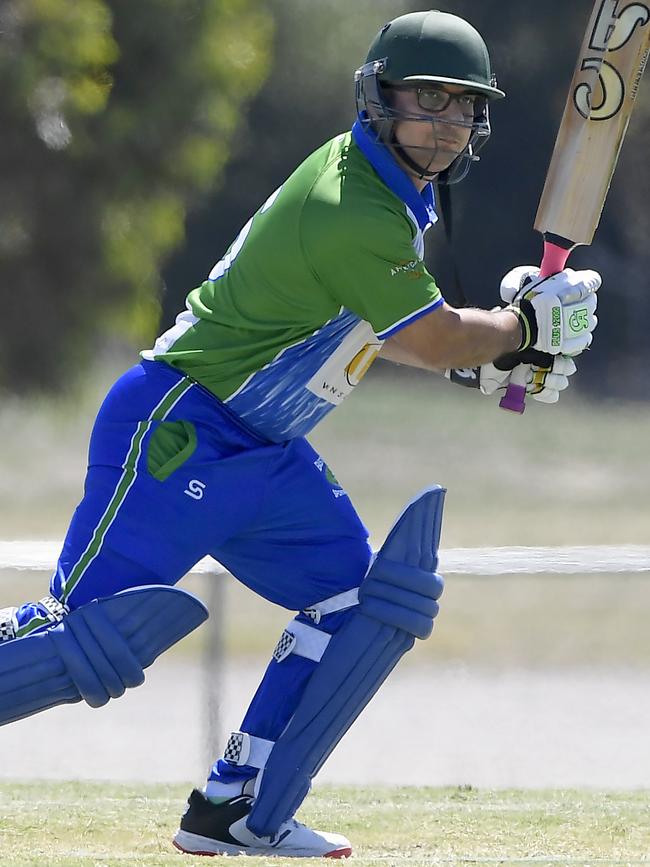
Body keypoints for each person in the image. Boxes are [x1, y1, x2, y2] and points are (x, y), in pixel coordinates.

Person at [0, 10, 599, 859]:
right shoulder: (351, 202)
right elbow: (428, 337)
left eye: (463, 106)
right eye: (427, 100)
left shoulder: (394, 198)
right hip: (182, 428)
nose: (446, 122)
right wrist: (515, 330)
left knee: (363, 604)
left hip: (268, 454)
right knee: (86, 643)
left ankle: (236, 808)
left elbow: (376, 332)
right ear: (375, 97)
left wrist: (494, 354)